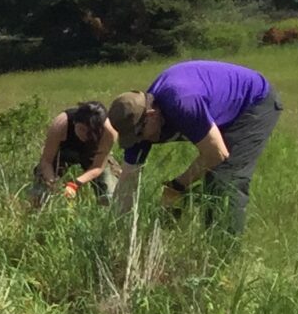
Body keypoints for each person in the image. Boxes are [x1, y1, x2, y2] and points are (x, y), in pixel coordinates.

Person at [107, 61, 282, 232]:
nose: (138, 141)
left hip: (253, 101)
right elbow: (128, 180)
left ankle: (221, 254)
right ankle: (194, 208)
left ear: (151, 116)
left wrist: (177, 185)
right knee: (212, 177)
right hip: (213, 103)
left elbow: (216, 153)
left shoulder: (182, 104)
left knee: (224, 179)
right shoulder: (137, 124)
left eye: (138, 135)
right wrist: (119, 230)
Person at [30, 100, 117, 199]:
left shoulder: (109, 132)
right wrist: (53, 184)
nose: (85, 135)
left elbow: (97, 167)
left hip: (93, 155)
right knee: (40, 193)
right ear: (75, 122)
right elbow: (46, 161)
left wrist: (75, 184)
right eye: (81, 129)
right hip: (63, 153)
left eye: (91, 133)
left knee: (109, 195)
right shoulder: (61, 124)